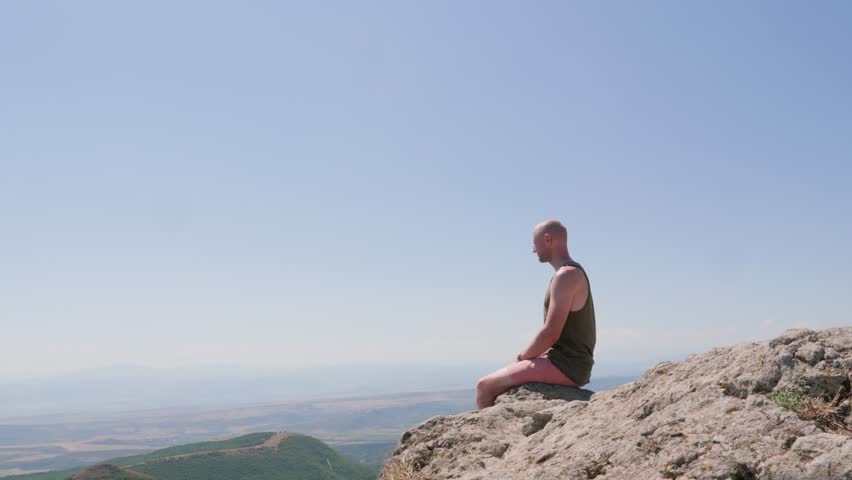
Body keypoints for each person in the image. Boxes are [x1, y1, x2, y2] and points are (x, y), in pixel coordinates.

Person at [475, 219, 597, 410]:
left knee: (485, 386)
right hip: (567, 362)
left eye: (535, 243)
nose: (533, 249)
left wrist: (522, 358)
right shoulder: (571, 273)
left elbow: (550, 332)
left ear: (548, 239)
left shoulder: (566, 276)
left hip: (567, 365)